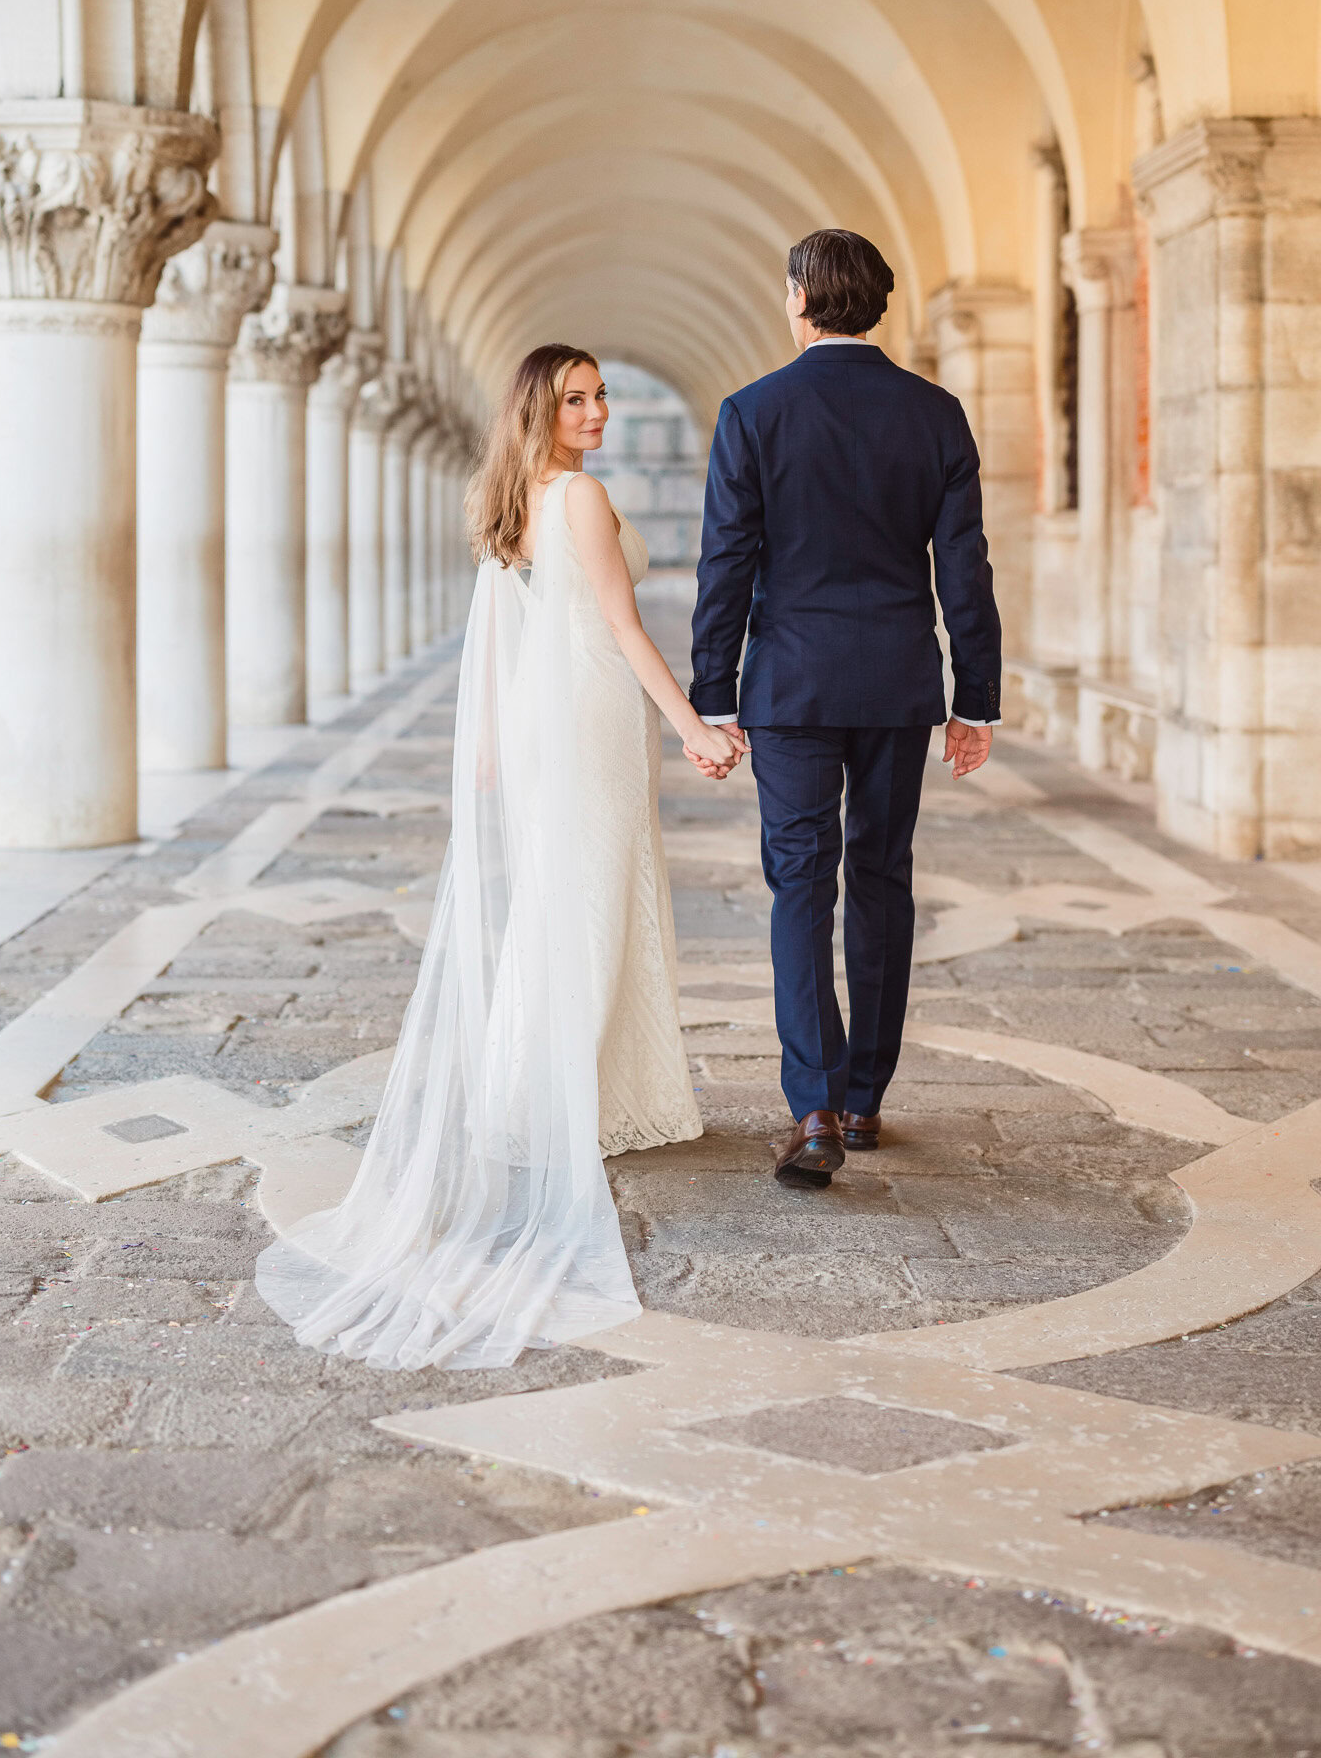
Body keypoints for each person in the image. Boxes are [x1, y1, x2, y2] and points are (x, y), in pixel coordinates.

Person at [257, 345, 742, 1370]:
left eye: (600, 394)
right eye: (577, 398)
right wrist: (695, 725)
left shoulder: (513, 497)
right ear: (541, 409)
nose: (598, 410)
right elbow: (620, 625)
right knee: (593, 900)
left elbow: (512, 629)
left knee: (562, 902)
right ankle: (542, 1097)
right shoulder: (580, 497)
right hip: (589, 712)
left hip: (543, 717)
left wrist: (488, 743)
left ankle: (562, 1091)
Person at [687, 229, 1002, 1189]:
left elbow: (726, 565)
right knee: (881, 876)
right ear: (878, 303)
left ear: (798, 298)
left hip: (789, 688)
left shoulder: (753, 413)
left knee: (800, 882)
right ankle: (865, 1097)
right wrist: (974, 700)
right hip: (899, 683)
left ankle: (815, 1106)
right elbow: (966, 568)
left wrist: (714, 694)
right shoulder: (935, 413)